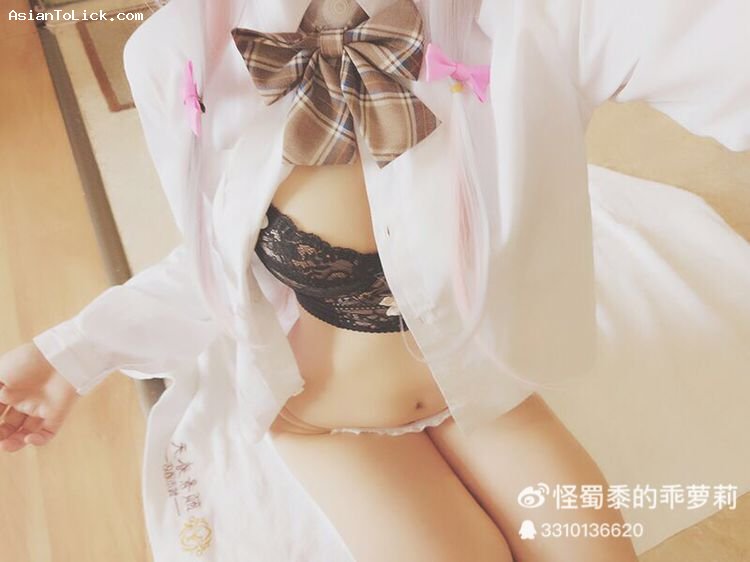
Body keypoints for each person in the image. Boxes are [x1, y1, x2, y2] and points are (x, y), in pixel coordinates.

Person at [1, 0, 749, 560]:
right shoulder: (175, 54)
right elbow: (215, 266)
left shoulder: (534, 15)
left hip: (481, 386)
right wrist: (68, 355)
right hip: (326, 415)